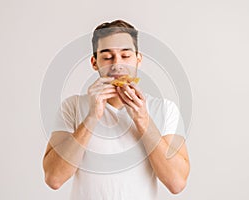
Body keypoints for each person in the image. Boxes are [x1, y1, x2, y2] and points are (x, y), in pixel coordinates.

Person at [42, 19, 190, 200]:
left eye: (126, 56)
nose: (117, 64)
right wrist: (92, 117)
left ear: (138, 59)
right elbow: (53, 178)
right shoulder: (72, 107)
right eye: (107, 57)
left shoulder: (166, 109)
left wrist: (143, 120)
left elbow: (176, 183)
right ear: (94, 63)